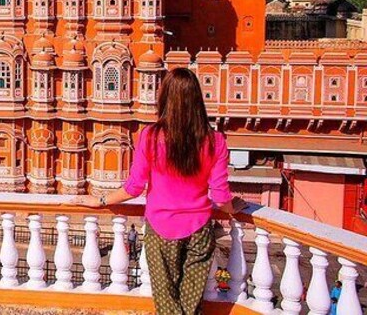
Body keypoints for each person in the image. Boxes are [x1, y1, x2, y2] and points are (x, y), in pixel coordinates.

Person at [71, 68, 246, 315]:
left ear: (165, 99)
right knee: (189, 305)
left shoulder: (151, 137)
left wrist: (100, 201)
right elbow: (220, 195)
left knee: (168, 306)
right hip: (199, 229)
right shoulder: (214, 140)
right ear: (197, 99)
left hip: (161, 228)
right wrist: (233, 207)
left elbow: (134, 187)